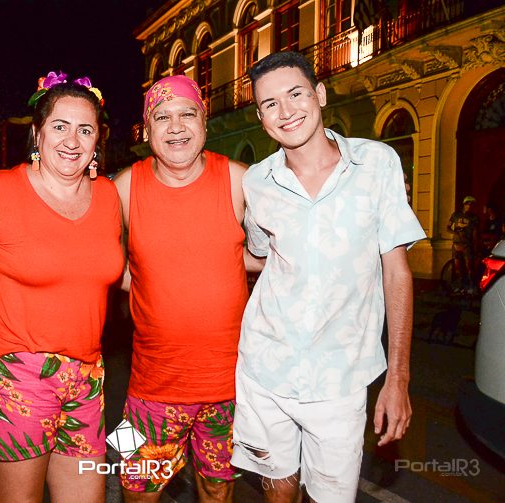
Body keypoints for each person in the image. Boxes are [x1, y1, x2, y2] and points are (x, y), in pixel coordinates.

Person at [230, 51, 426, 503]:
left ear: (319, 94)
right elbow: (260, 257)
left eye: (295, 94)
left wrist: (398, 377)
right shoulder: (257, 182)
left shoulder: (377, 163)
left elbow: (396, 272)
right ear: (261, 118)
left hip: (342, 378)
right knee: (277, 488)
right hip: (265, 367)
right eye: (270, 103)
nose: (286, 111)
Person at [0, 72, 124, 503]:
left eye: (85, 129)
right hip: (17, 372)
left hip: (88, 376)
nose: (72, 140)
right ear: (38, 133)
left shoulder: (108, 196)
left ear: (98, 139)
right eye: (60, 126)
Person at [113, 74, 252, 502]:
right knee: (135, 488)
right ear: (146, 130)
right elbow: (99, 261)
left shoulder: (240, 180)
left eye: (187, 114)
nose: (175, 127)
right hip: (147, 386)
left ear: (204, 122)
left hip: (231, 388)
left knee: (218, 488)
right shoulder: (124, 187)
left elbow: (282, 252)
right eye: (162, 117)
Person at [447, 195, 480, 293]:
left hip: (467, 244)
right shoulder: (456, 215)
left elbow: (475, 233)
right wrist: (456, 233)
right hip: (456, 244)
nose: (469, 206)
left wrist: (475, 247)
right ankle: (460, 285)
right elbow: (448, 227)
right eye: (467, 204)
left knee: (469, 266)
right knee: (457, 266)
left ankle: (471, 286)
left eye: (471, 205)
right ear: (464, 204)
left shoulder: (474, 218)